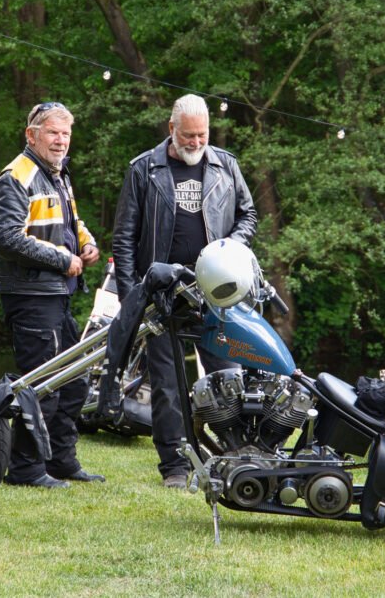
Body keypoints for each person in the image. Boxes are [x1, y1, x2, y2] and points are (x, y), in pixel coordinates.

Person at [112, 94, 258, 488]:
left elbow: (248, 214)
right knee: (168, 385)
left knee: (229, 374)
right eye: (189, 135)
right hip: (163, 294)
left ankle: (235, 456)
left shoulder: (226, 164)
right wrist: (131, 298)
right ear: (171, 129)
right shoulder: (144, 169)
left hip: (217, 292)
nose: (196, 142)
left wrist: (231, 247)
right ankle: (175, 467)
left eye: (203, 134)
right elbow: (124, 237)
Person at [0, 101, 105, 489]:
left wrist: (87, 244)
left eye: (66, 133)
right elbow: (7, 239)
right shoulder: (16, 175)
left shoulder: (56, 174)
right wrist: (63, 259)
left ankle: (60, 461)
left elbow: (71, 222)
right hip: (30, 293)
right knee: (41, 384)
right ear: (32, 135)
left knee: (74, 381)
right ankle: (25, 470)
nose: (61, 140)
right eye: (53, 132)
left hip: (56, 292)